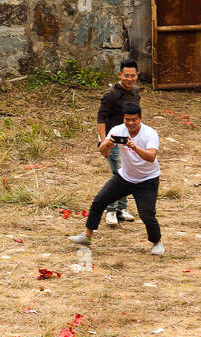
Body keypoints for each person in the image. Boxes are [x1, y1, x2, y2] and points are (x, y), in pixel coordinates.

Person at [70, 103, 163, 255]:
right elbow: (102, 151)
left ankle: (157, 242)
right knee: (99, 200)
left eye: (134, 120)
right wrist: (107, 144)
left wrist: (135, 148)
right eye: (127, 119)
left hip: (147, 179)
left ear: (140, 118)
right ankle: (87, 236)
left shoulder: (150, 133)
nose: (130, 123)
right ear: (123, 118)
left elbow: (151, 157)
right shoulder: (117, 130)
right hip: (125, 177)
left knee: (147, 214)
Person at [95, 60, 141, 228]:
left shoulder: (136, 92)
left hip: (128, 142)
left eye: (132, 75)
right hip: (113, 141)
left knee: (127, 173)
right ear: (120, 75)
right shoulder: (111, 94)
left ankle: (122, 209)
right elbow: (101, 118)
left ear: (137, 75)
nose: (129, 78)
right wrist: (104, 141)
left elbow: (135, 117)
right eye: (126, 75)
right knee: (118, 175)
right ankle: (111, 210)